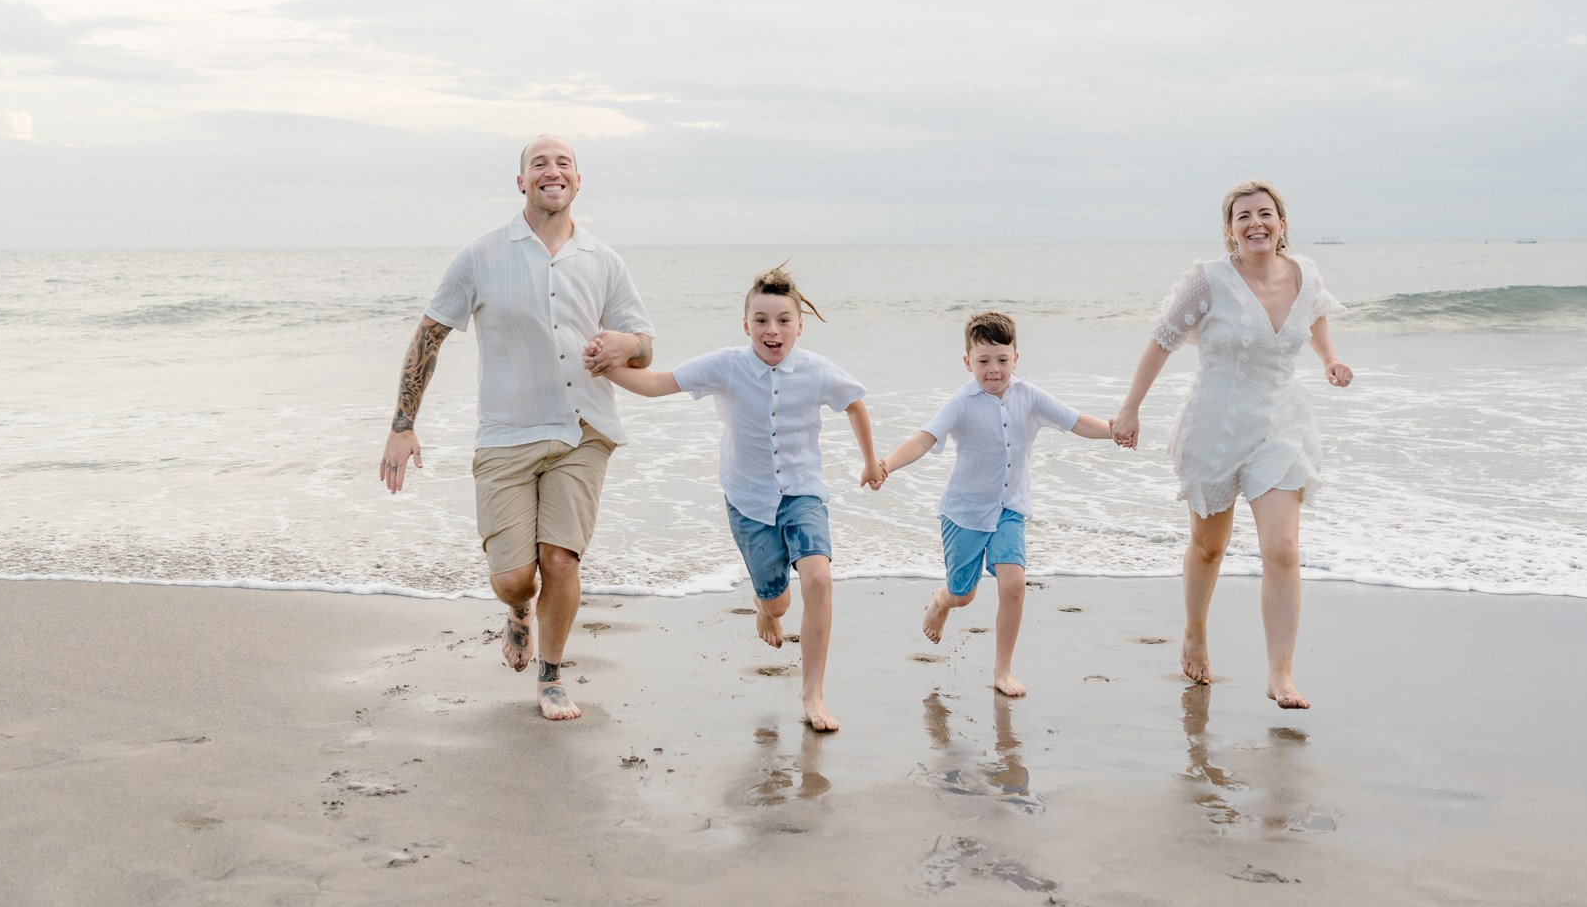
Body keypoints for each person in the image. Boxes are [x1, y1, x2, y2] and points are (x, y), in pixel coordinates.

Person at [378, 135, 654, 722]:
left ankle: (552, 675)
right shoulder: (481, 255)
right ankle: (518, 613)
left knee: (561, 560)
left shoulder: (604, 261)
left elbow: (644, 345)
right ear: (521, 182)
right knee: (513, 578)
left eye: (563, 163)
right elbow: (430, 334)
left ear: (578, 180)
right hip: (506, 434)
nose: (552, 171)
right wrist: (403, 425)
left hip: (583, 430)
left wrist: (625, 343)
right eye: (539, 163)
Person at [600, 265, 879, 732]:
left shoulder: (816, 370)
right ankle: (763, 604)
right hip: (748, 499)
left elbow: (854, 403)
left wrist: (870, 462)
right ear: (745, 324)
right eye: (762, 320)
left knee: (819, 580)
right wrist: (605, 367)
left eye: (784, 319)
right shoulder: (726, 366)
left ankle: (813, 694)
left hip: (803, 492)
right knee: (779, 606)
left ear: (799, 325)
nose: (773, 330)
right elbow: (657, 383)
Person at [1110, 181, 1351, 709]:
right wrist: (1131, 408)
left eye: (1266, 214)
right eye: (1244, 216)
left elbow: (1315, 315)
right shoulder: (1209, 280)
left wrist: (1329, 358)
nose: (1256, 223)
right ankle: (1195, 631)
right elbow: (1161, 341)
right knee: (1209, 546)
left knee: (1282, 549)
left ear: (1282, 224)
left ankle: (1280, 674)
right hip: (1215, 429)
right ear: (1230, 229)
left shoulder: (1306, 273)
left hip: (1279, 426)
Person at [881, 311, 1114, 698]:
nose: (994, 369)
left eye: (1002, 360)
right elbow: (924, 439)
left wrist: (1113, 431)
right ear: (967, 362)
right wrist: (887, 464)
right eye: (983, 361)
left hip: (1009, 508)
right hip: (965, 513)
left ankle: (1002, 670)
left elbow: (1076, 422)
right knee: (964, 594)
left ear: (1016, 359)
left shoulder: (1030, 396)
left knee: (1014, 584)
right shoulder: (960, 402)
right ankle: (942, 600)